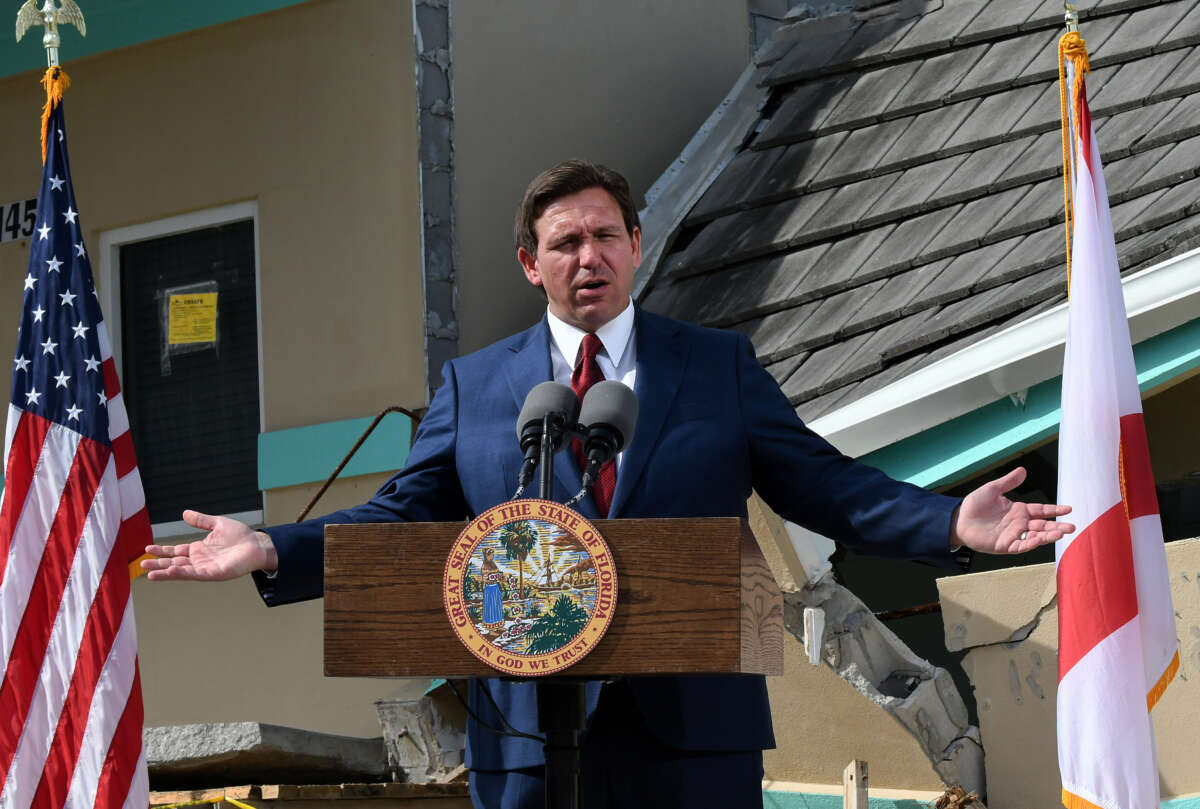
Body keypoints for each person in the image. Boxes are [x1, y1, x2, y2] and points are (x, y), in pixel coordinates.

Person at [142, 160, 1074, 809]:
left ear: (636, 244)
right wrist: (274, 545)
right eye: (563, 242)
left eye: (603, 236)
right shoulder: (478, 387)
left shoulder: (717, 368)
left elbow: (825, 486)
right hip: (525, 738)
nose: (586, 257)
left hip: (693, 729)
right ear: (530, 263)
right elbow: (402, 515)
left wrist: (950, 519)